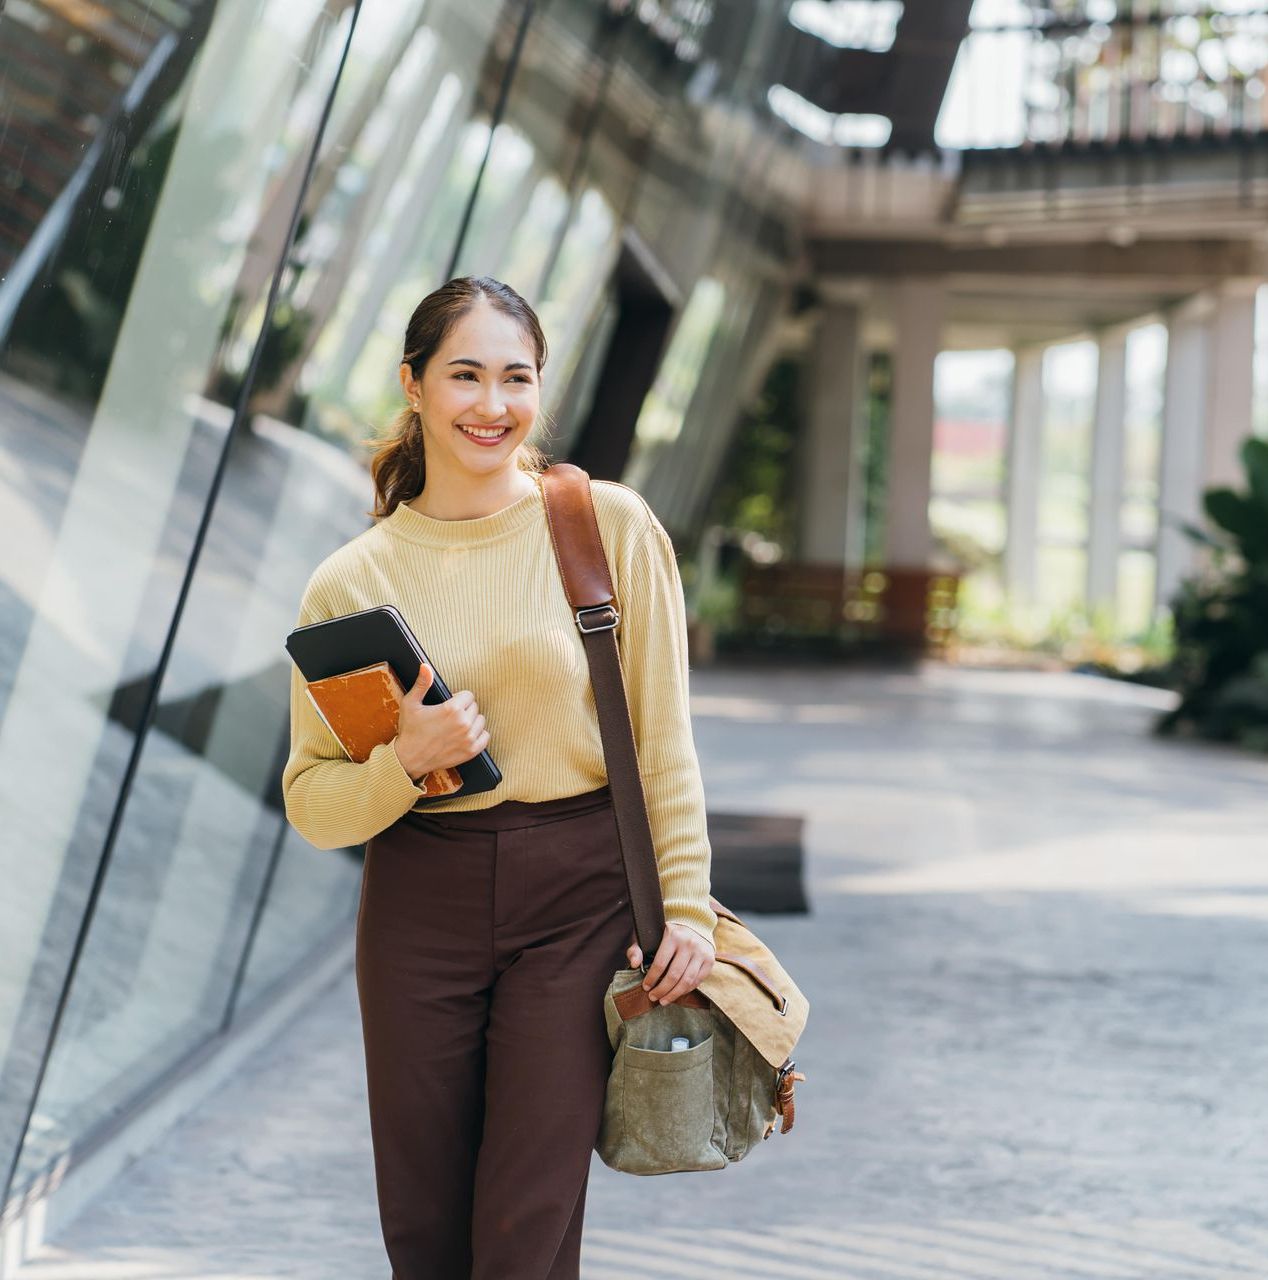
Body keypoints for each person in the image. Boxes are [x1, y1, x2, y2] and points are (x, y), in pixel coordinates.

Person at [281, 275, 717, 1279]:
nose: (491, 404)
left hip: (577, 899)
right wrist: (404, 762)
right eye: (464, 374)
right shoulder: (351, 582)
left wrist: (684, 905)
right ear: (414, 386)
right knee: (425, 1227)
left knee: (526, 1220)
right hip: (417, 902)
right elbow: (312, 800)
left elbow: (662, 741)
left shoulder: (605, 527)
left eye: (514, 377)